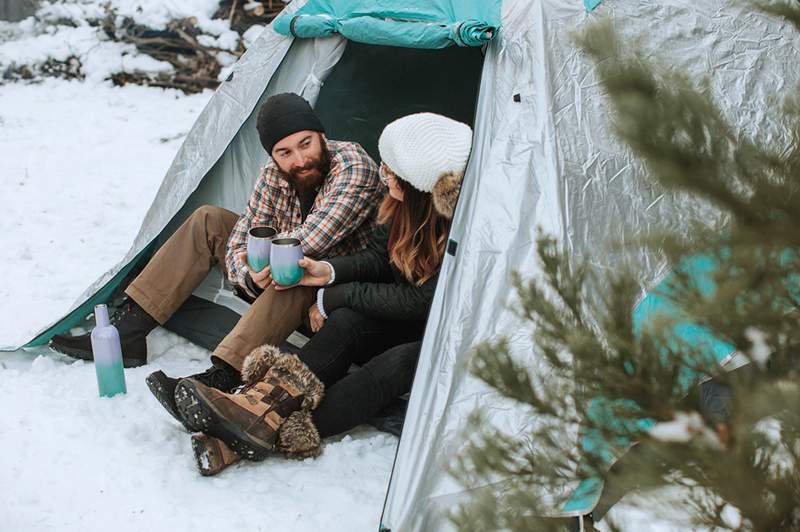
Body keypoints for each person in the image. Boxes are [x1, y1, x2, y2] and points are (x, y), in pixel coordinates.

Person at [168, 112, 473, 474]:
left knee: (402, 361)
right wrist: (326, 273)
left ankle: (266, 432)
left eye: (392, 171)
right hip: (403, 318)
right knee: (346, 323)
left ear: (420, 184)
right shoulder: (400, 207)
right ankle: (256, 406)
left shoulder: (463, 226)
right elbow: (377, 257)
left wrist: (335, 295)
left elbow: (423, 302)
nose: (383, 173)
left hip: (450, 331)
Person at [49, 93, 384, 420]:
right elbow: (246, 231)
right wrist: (248, 274)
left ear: (322, 135)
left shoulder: (353, 168)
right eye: (284, 152)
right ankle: (128, 333)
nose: (299, 159)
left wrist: (262, 266)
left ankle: (223, 377)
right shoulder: (274, 173)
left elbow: (312, 239)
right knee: (209, 220)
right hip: (277, 272)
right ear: (273, 155)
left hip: (336, 291)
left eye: (306, 143)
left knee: (289, 271)